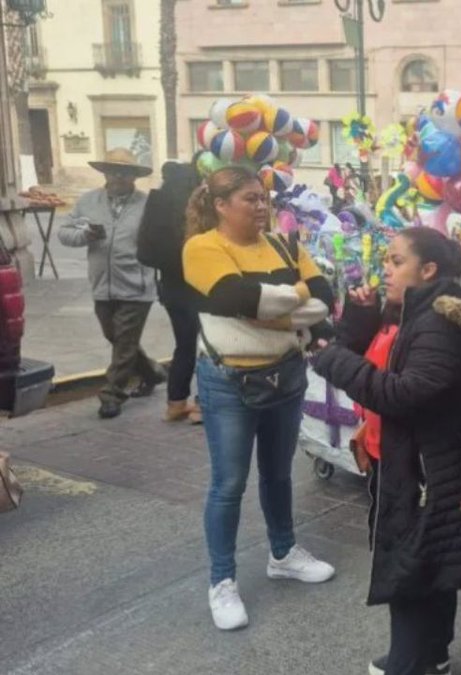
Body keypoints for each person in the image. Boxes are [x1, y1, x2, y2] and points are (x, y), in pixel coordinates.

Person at [312, 227, 461, 675]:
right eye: (386, 260)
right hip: (404, 457)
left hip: (427, 469)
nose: (386, 269)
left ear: (428, 269)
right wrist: (358, 324)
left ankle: (409, 662)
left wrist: (336, 360)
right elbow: (372, 360)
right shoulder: (408, 313)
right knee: (426, 562)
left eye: (397, 261)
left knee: (413, 565)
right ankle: (430, 655)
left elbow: (404, 393)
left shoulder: (439, 321)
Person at [182, 166, 337, 631]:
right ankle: (222, 580)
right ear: (220, 205)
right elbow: (237, 296)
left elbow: (325, 298)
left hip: (286, 375)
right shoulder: (202, 248)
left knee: (278, 474)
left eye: (264, 198)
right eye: (250, 199)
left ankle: (284, 552)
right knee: (228, 484)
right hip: (229, 382)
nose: (262, 206)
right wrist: (293, 303)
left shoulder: (284, 244)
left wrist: (276, 310)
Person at [58, 148, 165, 419]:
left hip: (137, 285)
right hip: (102, 285)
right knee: (115, 337)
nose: (119, 176)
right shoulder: (88, 202)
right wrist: (86, 234)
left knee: (125, 342)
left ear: (134, 177)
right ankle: (152, 372)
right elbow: (64, 233)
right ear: (104, 173)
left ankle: (112, 394)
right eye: (114, 171)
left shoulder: (148, 204)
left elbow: (159, 239)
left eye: (125, 172)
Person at [137, 157, 203, 423]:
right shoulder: (197, 201)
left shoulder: (159, 201)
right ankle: (201, 405)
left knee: (184, 344)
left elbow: (144, 249)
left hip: (171, 287)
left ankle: (175, 403)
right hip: (201, 285)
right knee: (208, 346)